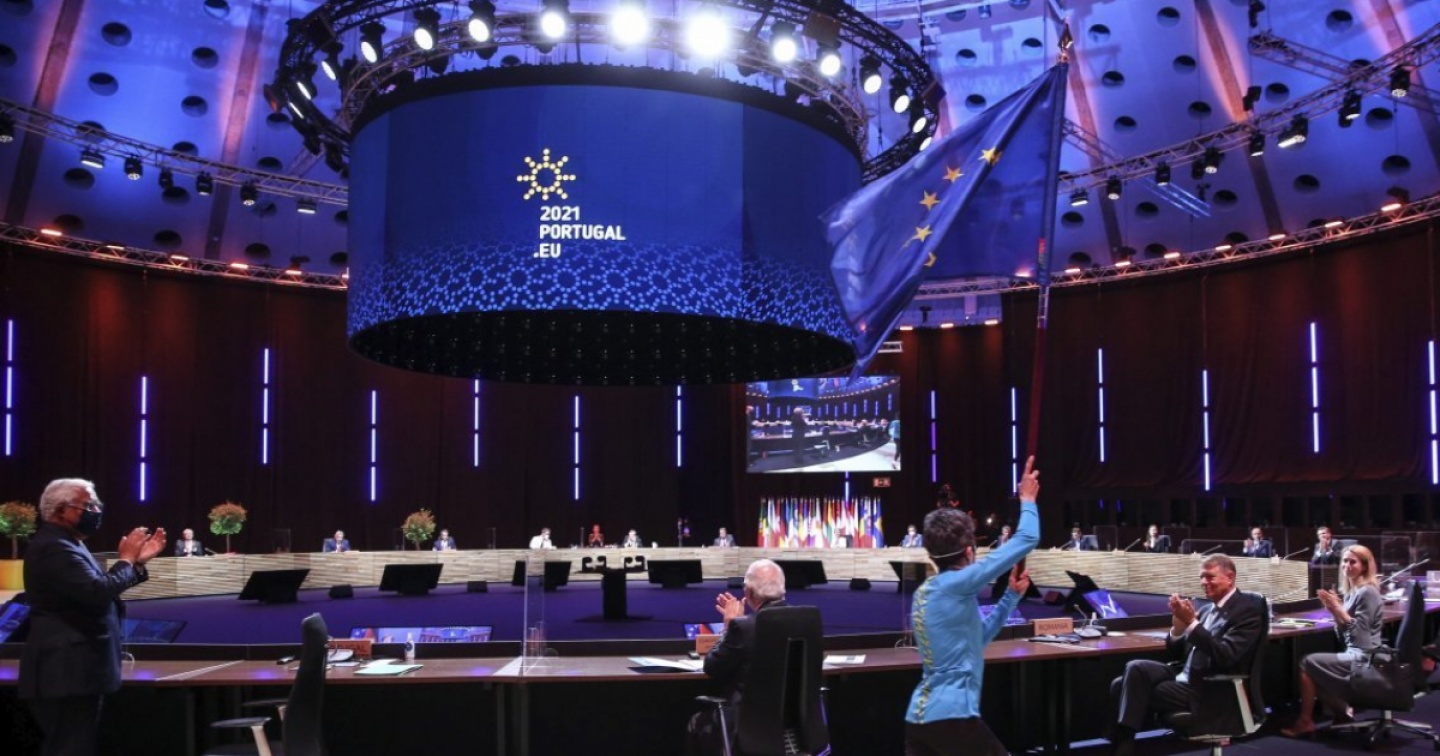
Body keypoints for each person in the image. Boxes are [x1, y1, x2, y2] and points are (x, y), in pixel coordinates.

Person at [19, 478, 168, 756]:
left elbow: (98, 589)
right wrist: (126, 559)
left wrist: (136, 563)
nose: (96, 512)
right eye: (88, 506)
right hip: (65, 672)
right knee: (69, 748)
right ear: (61, 510)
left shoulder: (66, 542)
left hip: (75, 671)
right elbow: (97, 592)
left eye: (97, 505)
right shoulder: (54, 547)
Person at [904, 456, 1040, 756]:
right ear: (969, 551)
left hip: (919, 720)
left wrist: (1011, 596)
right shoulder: (959, 584)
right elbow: (1028, 538)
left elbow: (978, 638)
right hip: (952, 718)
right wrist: (1027, 499)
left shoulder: (926, 592)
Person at [1107, 554, 1266, 756]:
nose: (1203, 582)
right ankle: (1123, 744)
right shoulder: (1207, 610)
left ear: (1230, 577)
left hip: (1210, 687)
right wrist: (1178, 629)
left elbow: (1225, 655)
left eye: (1210, 577)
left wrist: (1192, 623)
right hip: (1183, 676)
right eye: (1201, 577)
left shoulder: (1247, 612)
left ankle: (1123, 747)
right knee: (1134, 669)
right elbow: (1175, 653)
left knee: (1125, 686)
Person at [687, 559, 789, 756]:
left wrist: (728, 626)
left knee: (697, 722)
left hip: (746, 727)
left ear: (748, 592)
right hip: (796, 725)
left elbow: (712, 667)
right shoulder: (806, 619)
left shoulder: (743, 628)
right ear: (783, 589)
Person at [1281, 544, 1385, 737]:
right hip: (1355, 651)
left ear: (1364, 566)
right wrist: (1334, 611)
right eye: (1344, 561)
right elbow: (1345, 635)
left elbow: (1360, 637)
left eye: (1352, 562)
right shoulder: (1353, 592)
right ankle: (1341, 714)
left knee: (1307, 663)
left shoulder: (1367, 592)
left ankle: (1306, 721)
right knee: (1313, 670)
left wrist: (1338, 609)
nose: (1347, 565)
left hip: (1366, 656)